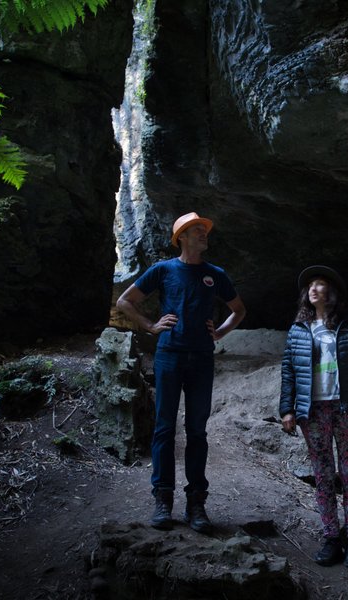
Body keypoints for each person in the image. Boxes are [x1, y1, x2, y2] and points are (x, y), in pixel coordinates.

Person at [116, 211, 246, 534]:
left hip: (201, 358)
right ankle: (163, 499)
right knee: (164, 428)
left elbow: (239, 310)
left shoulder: (214, 274)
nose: (204, 233)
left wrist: (220, 333)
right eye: (196, 230)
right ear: (182, 238)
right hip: (169, 356)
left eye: (204, 229)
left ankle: (196, 503)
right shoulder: (163, 270)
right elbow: (125, 302)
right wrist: (151, 326)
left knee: (197, 431)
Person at [279, 265, 348, 569]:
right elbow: (288, 371)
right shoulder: (298, 329)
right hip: (312, 411)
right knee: (323, 475)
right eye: (309, 285)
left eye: (320, 283)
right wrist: (287, 408)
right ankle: (331, 538)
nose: (313, 288)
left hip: (347, 408)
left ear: (332, 292)